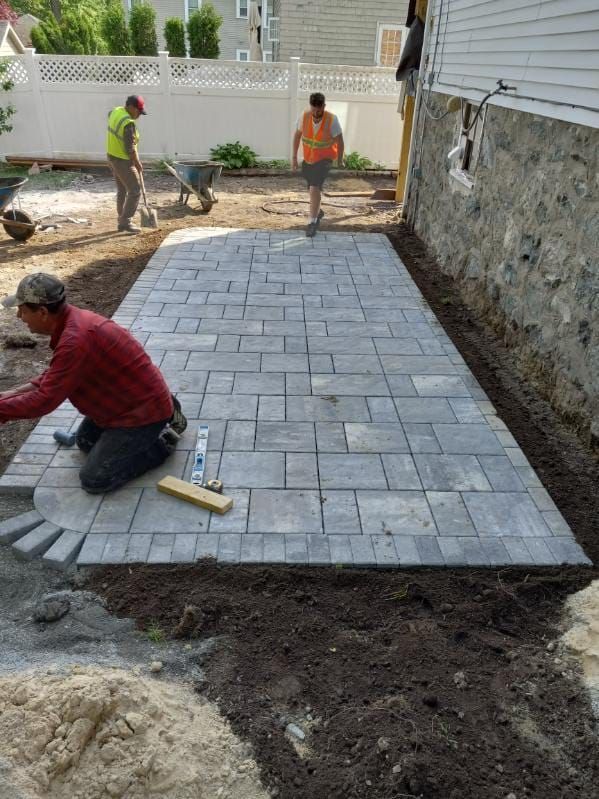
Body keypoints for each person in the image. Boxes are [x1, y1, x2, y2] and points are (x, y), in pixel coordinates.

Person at [0, 273, 187, 495]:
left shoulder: (76, 339)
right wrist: (11, 394)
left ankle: (163, 441)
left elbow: (44, 401)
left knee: (95, 479)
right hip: (128, 403)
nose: (20, 316)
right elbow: (58, 373)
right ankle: (165, 409)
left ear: (42, 312)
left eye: (22, 310)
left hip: (141, 413)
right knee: (86, 442)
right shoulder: (73, 322)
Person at [292, 92, 344, 237]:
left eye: (319, 110)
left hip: (325, 160)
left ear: (324, 106)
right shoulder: (304, 116)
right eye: (313, 109)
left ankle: (312, 222)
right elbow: (297, 136)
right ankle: (318, 210)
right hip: (308, 160)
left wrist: (340, 160)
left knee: (314, 188)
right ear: (310, 106)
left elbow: (340, 140)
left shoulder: (332, 119)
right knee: (312, 189)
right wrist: (294, 158)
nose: (316, 113)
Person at [106, 95, 147, 234]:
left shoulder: (116, 111)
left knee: (123, 189)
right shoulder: (128, 123)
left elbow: (109, 115)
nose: (139, 115)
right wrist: (137, 163)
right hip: (123, 161)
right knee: (135, 190)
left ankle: (121, 218)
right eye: (138, 111)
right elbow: (130, 150)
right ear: (131, 107)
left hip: (112, 157)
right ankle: (125, 222)